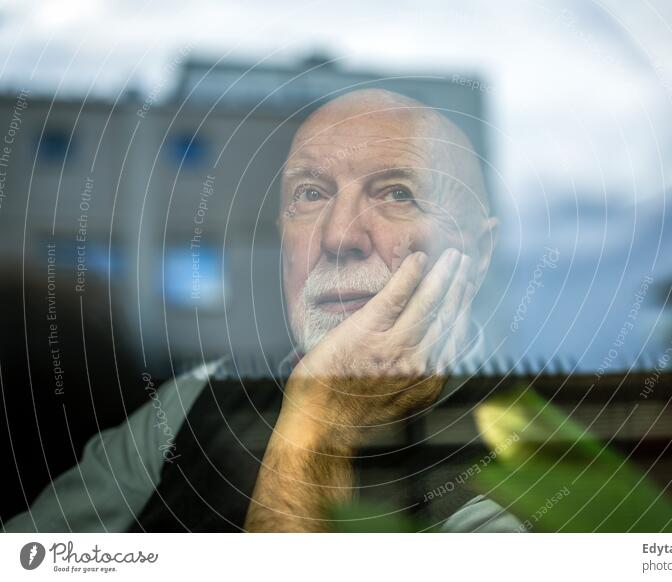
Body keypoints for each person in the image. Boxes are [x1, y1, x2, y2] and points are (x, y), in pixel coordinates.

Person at [3, 89, 520, 533]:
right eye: (311, 193)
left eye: (397, 194)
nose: (339, 236)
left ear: (478, 253)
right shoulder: (198, 400)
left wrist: (321, 420)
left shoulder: (536, 470)